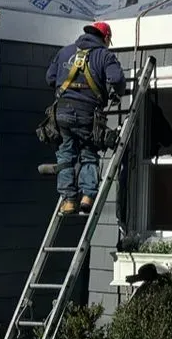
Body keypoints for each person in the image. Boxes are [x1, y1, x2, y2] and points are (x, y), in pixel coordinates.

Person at [44, 21, 125, 215]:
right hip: (88, 113)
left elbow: (50, 78)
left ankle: (69, 200)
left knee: (65, 155)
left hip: (62, 112)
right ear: (105, 38)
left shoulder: (64, 52)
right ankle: (87, 197)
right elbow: (117, 80)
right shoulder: (105, 55)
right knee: (88, 153)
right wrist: (116, 94)